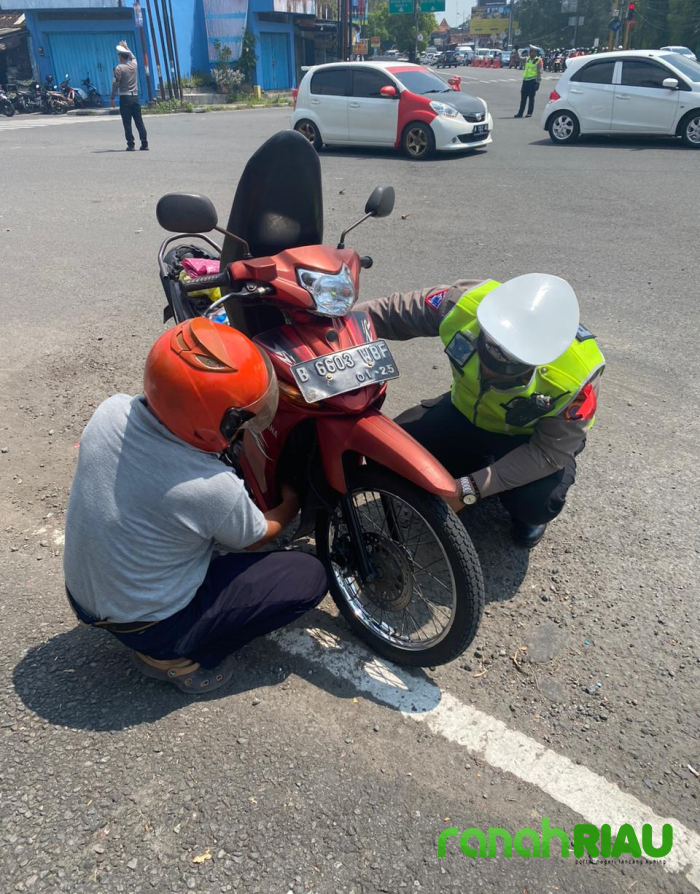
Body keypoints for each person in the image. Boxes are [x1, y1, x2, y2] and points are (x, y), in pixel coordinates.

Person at [63, 318, 328, 694]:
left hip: (85, 595)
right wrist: (291, 502)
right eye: (242, 417)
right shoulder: (208, 489)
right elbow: (255, 536)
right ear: (208, 424)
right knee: (309, 574)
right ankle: (173, 658)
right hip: (148, 626)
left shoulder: (111, 411)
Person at [357, 275, 605, 549]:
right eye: (485, 356)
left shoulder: (579, 373)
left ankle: (521, 508)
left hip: (526, 440)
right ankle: (476, 464)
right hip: (462, 414)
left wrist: (468, 491)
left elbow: (549, 452)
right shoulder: (467, 302)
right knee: (385, 450)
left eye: (503, 374)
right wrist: (332, 322)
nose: (486, 371)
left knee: (537, 502)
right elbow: (391, 313)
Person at [110, 39, 148, 152]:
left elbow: (115, 84)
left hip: (125, 97)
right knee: (139, 121)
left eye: (119, 55)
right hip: (135, 97)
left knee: (127, 122)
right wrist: (127, 47)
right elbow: (134, 57)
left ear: (121, 57)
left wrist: (112, 97)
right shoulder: (133, 65)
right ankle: (144, 143)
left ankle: (131, 144)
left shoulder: (119, 68)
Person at [515, 45, 543, 117]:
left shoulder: (538, 60)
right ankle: (520, 113)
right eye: (530, 51)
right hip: (525, 81)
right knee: (523, 98)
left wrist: (538, 82)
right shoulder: (527, 59)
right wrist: (516, 51)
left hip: (532, 81)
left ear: (535, 53)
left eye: (531, 51)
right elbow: (519, 59)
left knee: (531, 98)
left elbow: (539, 72)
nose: (530, 52)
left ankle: (529, 113)